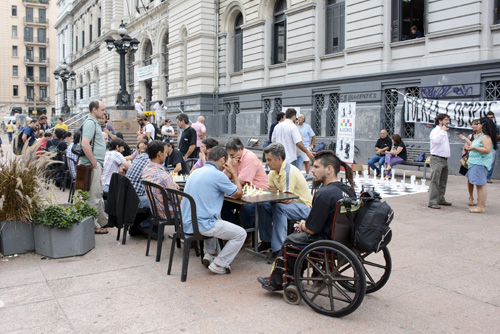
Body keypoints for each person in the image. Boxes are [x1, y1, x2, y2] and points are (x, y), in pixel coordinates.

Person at [257, 150, 356, 291]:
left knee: (290, 240)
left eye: (316, 167)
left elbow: (311, 229)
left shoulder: (323, 194)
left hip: (326, 240)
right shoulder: (347, 189)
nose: (312, 171)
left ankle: (281, 280)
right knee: (298, 235)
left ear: (329, 169)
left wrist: (302, 225)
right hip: (343, 238)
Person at [181, 146, 246, 275]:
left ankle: (209, 253)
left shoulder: (196, 171)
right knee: (240, 234)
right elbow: (239, 193)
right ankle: (219, 263)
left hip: (187, 222)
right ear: (223, 160)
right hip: (202, 225)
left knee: (213, 216)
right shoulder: (217, 175)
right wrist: (233, 173)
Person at [258, 143, 313, 259]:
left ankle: (279, 249)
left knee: (280, 209)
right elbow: (272, 195)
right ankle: (266, 240)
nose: (266, 163)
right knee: (263, 205)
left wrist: (277, 192)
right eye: (266, 160)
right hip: (290, 204)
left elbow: (286, 199)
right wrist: (278, 193)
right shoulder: (273, 172)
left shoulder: (289, 172)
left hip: (304, 207)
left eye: (269, 160)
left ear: (279, 159)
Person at [221, 137, 268, 243]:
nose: (230, 157)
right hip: (241, 192)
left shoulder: (250, 157)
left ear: (240, 149)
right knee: (222, 204)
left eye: (232, 155)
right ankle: (238, 232)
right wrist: (231, 166)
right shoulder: (233, 158)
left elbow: (242, 182)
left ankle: (248, 234)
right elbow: (222, 179)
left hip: (256, 193)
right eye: (229, 155)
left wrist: (229, 179)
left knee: (246, 209)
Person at [79, 100, 108, 234]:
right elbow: (85, 144)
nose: (104, 112)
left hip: (95, 164)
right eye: (102, 109)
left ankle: (101, 222)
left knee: (97, 194)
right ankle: (94, 225)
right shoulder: (90, 123)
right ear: (94, 110)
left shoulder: (93, 122)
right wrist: (94, 162)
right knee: (94, 195)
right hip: (93, 165)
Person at [464, 117, 498, 213]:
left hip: (480, 163)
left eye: (478, 123)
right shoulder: (480, 136)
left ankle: (481, 206)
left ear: (483, 125)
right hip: (474, 163)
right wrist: (470, 146)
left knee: (481, 185)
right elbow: (476, 145)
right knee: (478, 184)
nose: (476, 125)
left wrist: (473, 147)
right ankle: (480, 204)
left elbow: (487, 150)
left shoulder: (486, 137)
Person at [142, 140, 179, 220]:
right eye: (165, 152)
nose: (166, 155)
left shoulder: (146, 169)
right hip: (168, 213)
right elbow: (176, 199)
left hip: (155, 210)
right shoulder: (163, 176)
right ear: (159, 153)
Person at [428, 113, 452, 209]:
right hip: (436, 158)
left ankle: (441, 199)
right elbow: (436, 141)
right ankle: (432, 201)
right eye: (446, 120)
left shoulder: (444, 131)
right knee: (435, 181)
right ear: (440, 121)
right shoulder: (436, 131)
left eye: (448, 120)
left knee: (443, 180)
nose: (448, 122)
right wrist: (442, 131)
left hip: (444, 159)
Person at [458, 119, 480, 206]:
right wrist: (467, 147)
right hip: (470, 159)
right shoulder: (471, 136)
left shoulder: (483, 137)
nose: (474, 126)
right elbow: (466, 147)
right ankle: (471, 197)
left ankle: (480, 198)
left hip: (479, 160)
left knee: (479, 180)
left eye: (476, 124)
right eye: (473, 124)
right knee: (470, 179)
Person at [486, 111, 500, 183]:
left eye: (491, 118)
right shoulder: (483, 127)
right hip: (484, 147)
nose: (490, 119)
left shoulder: (496, 127)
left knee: (491, 163)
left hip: (493, 147)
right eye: (489, 118)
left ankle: (488, 177)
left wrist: (495, 136)